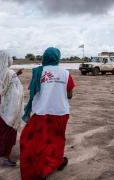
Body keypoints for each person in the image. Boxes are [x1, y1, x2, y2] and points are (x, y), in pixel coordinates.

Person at [20, 47, 76, 179]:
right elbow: (69, 95)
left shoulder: (39, 72)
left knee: (38, 141)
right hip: (60, 113)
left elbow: (34, 91)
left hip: (42, 113)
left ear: (44, 57)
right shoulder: (66, 73)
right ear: (58, 58)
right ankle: (57, 162)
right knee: (57, 140)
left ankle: (44, 168)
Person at [0, 50, 24, 166]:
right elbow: (6, 87)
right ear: (7, 59)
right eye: (10, 57)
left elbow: (3, 85)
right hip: (9, 106)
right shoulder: (9, 73)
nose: (12, 59)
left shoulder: (0, 71)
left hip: (0, 103)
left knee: (0, 129)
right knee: (8, 129)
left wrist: (17, 74)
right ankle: (5, 157)